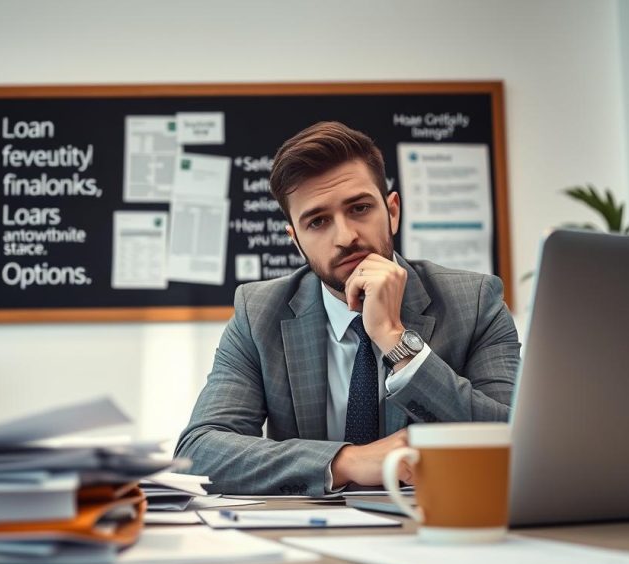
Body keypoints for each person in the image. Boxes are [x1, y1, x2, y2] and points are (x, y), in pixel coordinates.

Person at [175, 121, 520, 496]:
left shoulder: (476, 301)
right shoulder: (259, 313)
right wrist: (347, 461)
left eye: (359, 208)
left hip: (441, 524)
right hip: (310, 538)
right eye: (318, 221)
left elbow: (514, 440)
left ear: (392, 211)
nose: (345, 237)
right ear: (296, 240)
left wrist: (395, 339)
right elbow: (200, 451)